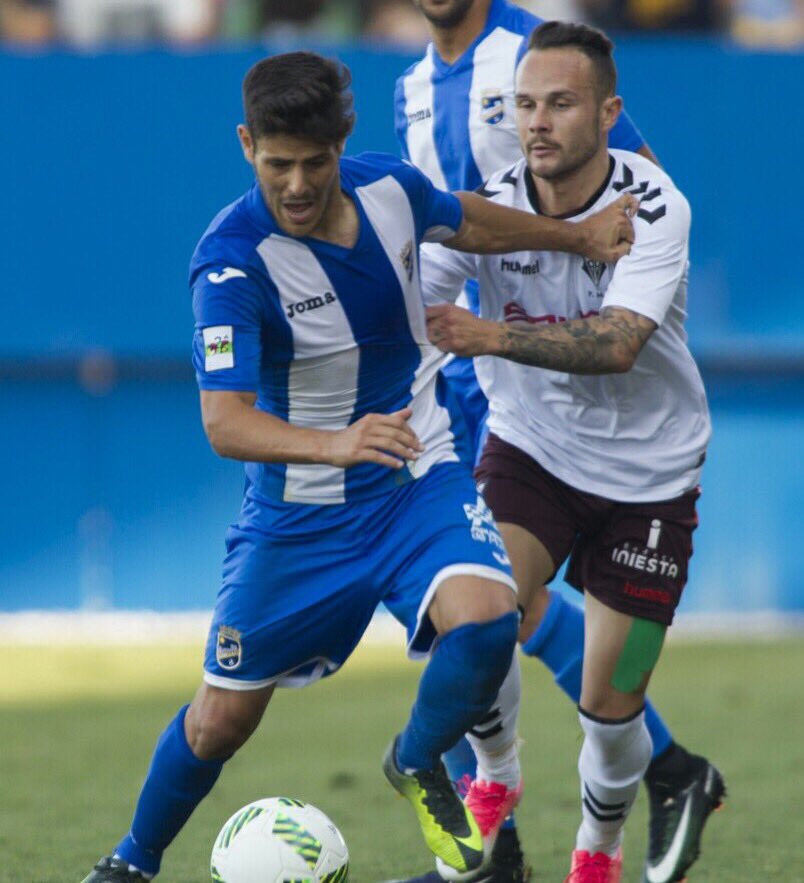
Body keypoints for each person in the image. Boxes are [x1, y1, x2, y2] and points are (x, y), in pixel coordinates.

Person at [79, 49, 637, 883]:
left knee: (489, 616)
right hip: (298, 521)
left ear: (342, 145)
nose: (297, 184)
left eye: (314, 163)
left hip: (415, 478)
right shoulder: (229, 264)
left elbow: (470, 220)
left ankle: (416, 761)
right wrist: (335, 441)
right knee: (218, 723)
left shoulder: (392, 191)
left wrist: (577, 235)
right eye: (277, 165)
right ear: (246, 146)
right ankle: (132, 860)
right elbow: (224, 422)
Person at [391, 3, 724, 882]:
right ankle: (493, 787)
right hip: (528, 451)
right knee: (483, 610)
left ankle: (599, 850)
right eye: (524, 105)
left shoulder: (656, 205)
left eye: (561, 105)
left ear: (609, 115)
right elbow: (413, 300)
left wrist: (488, 335)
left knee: (614, 707)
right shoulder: (488, 210)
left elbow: (616, 345)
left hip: (653, 481)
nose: (536, 122)